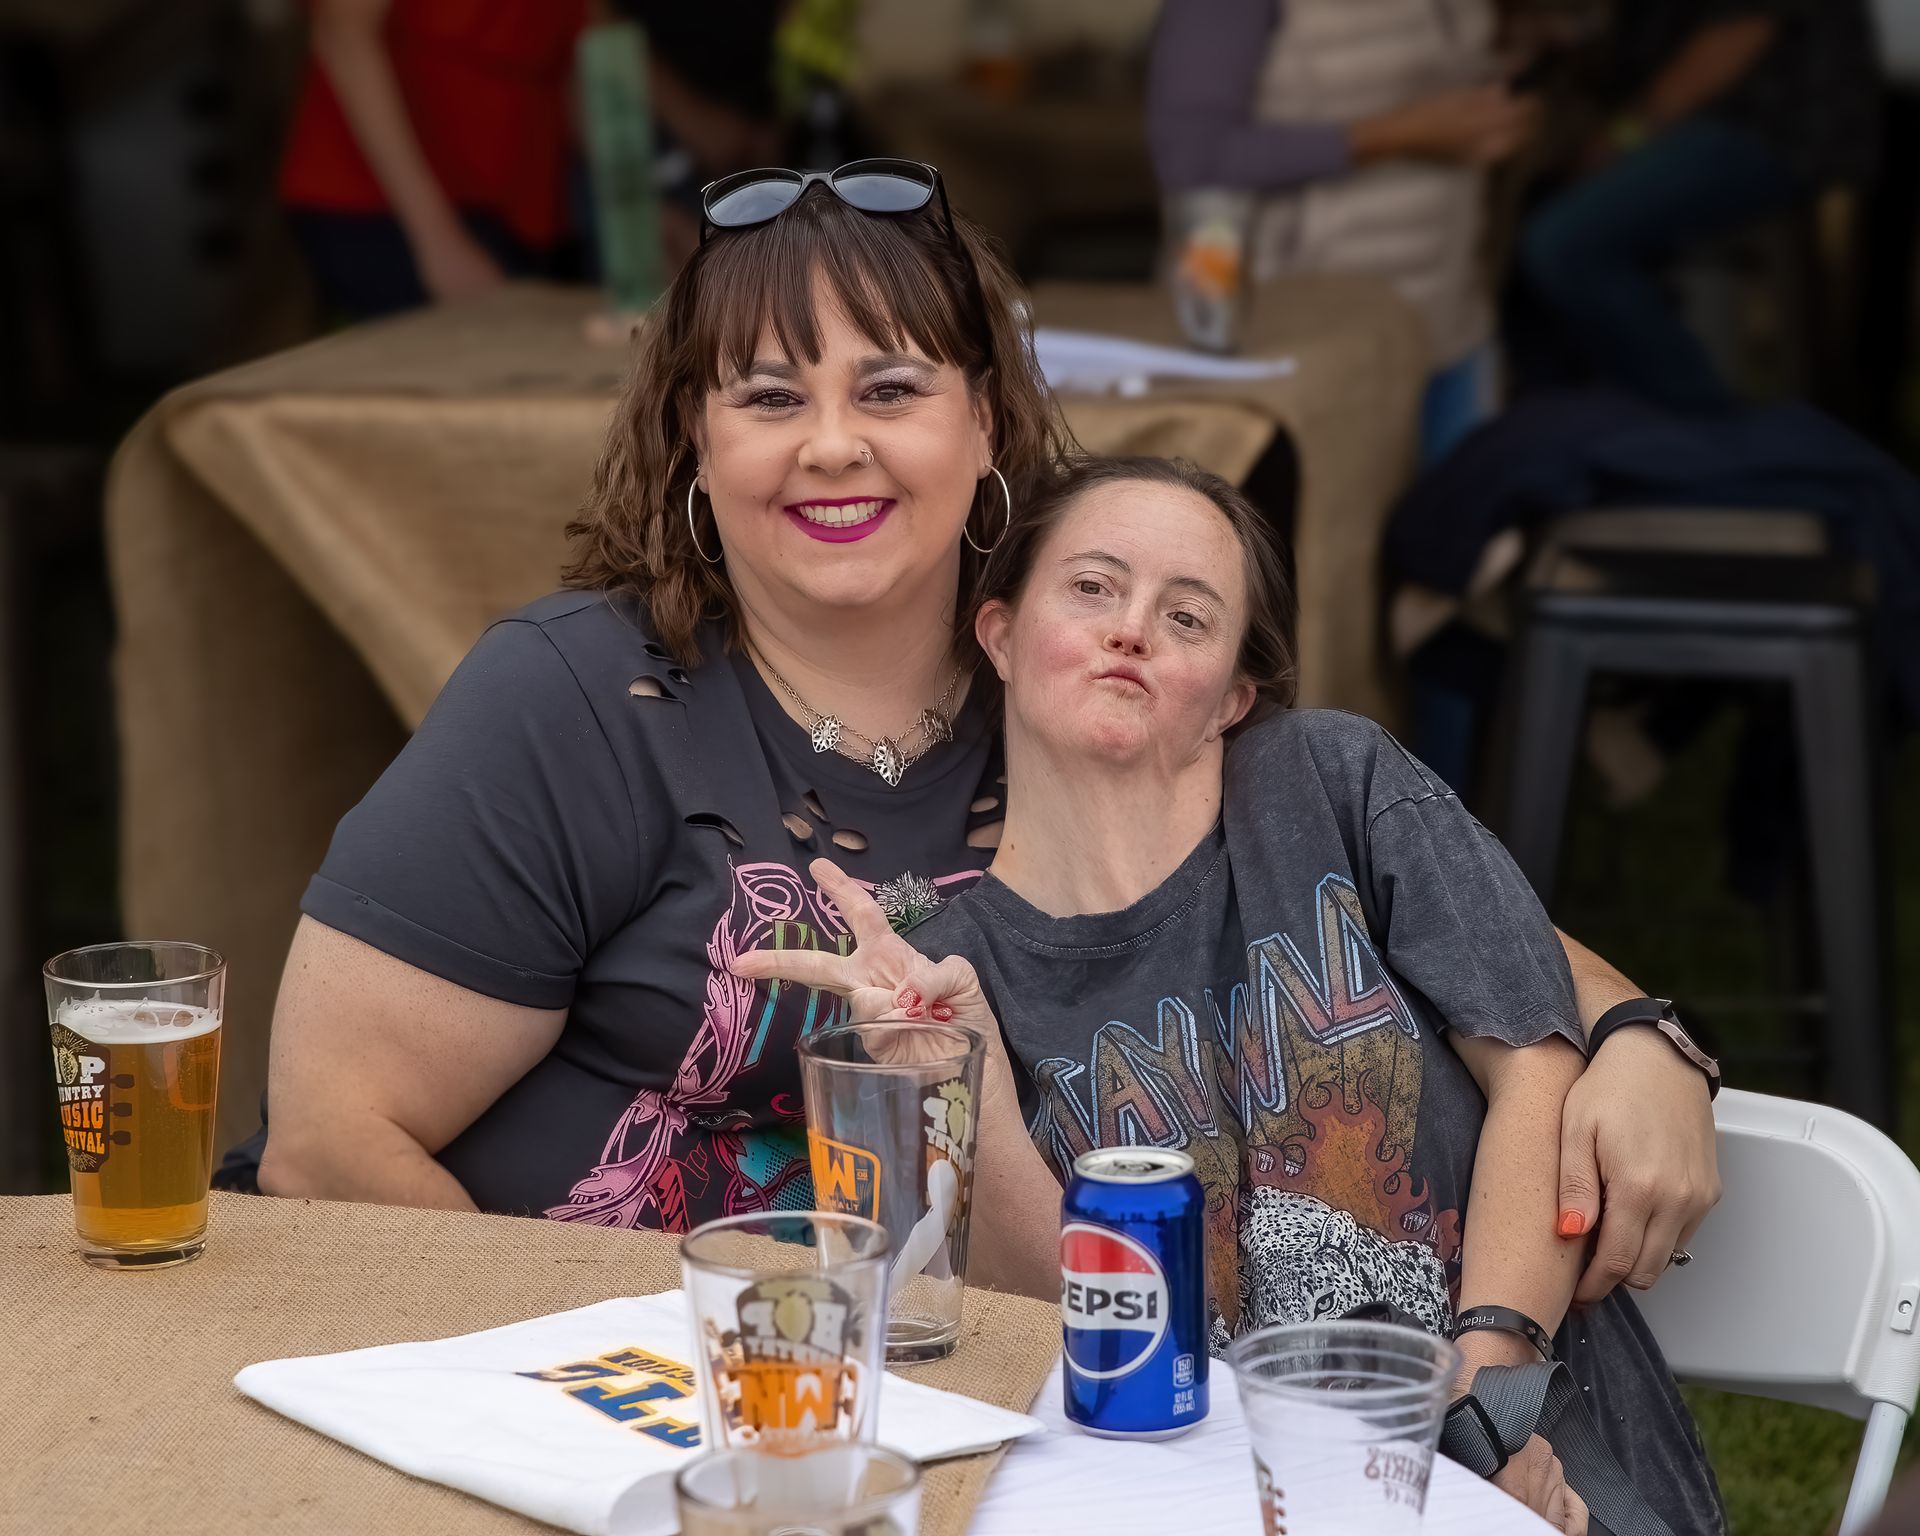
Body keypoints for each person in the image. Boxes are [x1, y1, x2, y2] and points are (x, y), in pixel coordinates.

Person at [240, 165, 1719, 1314]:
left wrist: (1642, 1036)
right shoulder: (573, 704)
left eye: (890, 390)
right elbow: (327, 1139)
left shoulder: (1077, 676)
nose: (834, 444)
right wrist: (579, 1392)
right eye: (770, 398)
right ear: (698, 445)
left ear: (988, 425)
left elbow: (1368, 876)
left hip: (992, 1393)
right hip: (584, 1391)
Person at [736, 456, 1725, 1533]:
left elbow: (1538, 1070)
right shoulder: (946, 968)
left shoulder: (1329, 786)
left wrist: (1480, 1421)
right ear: (1001, 635)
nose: (1133, 630)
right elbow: (1065, 1323)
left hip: (1536, 1459)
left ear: (1234, 696)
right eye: (1093, 588)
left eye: (1189, 616)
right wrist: (962, 1081)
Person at [1148, 0, 1538, 463]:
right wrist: (1396, 134)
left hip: (1450, 306)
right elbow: (1191, 157)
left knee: (1466, 514)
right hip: (1300, 332)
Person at [1519, 0, 1881, 411]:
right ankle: (1565, 427)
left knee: (1563, 244)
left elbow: (1740, 28)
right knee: (1540, 220)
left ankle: (1709, 429)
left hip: (1767, 125)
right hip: (1694, 121)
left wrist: (1623, 136)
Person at [280, 0, 590, 317]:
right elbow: (342, 34)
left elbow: (584, 67)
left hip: (526, 209)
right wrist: (439, 243)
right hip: (380, 206)